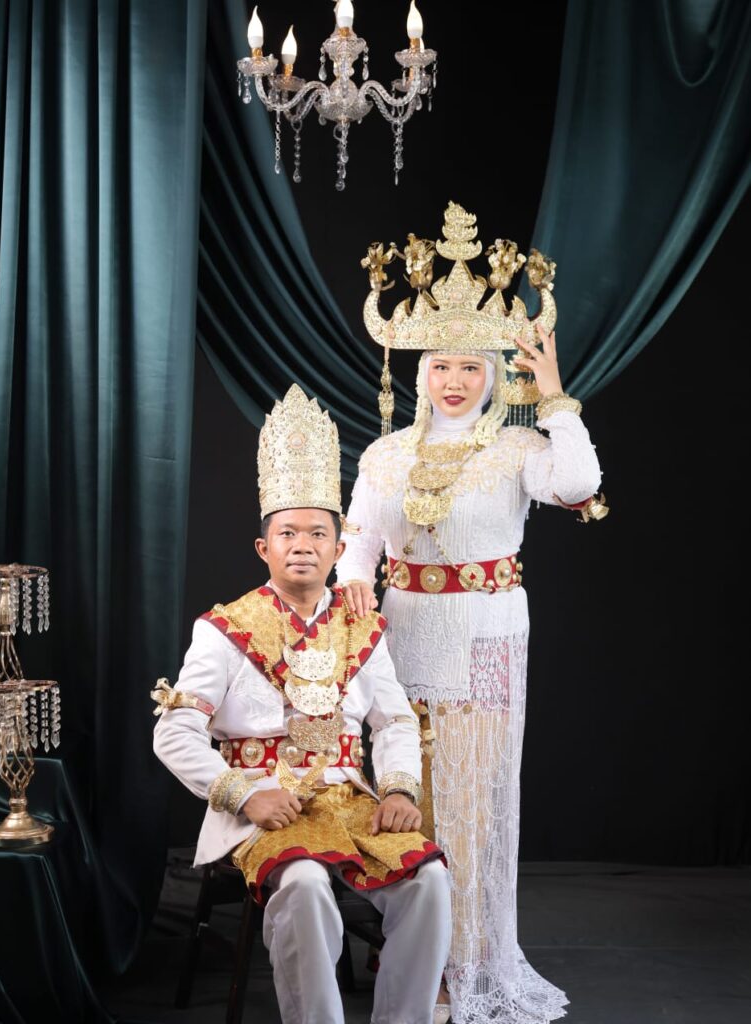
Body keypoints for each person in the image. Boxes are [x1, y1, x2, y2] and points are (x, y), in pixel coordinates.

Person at [337, 203, 606, 1024]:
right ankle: (408, 948)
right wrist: (352, 580)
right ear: (420, 373)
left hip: (487, 636)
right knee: (402, 791)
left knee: (471, 801)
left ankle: (467, 960)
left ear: (492, 374)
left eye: (469, 366)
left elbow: (580, 484)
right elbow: (359, 540)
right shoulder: (385, 454)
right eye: (440, 365)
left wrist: (554, 395)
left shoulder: (517, 448)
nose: (453, 379)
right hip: (403, 631)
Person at [152, 384, 451, 1024]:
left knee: (430, 880)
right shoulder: (224, 629)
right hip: (264, 808)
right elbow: (173, 733)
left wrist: (400, 788)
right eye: (287, 532)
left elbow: (395, 720)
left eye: (319, 533)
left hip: (351, 803)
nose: (303, 544)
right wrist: (243, 795)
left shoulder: (362, 629)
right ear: (265, 548)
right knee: (308, 884)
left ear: (339, 551)